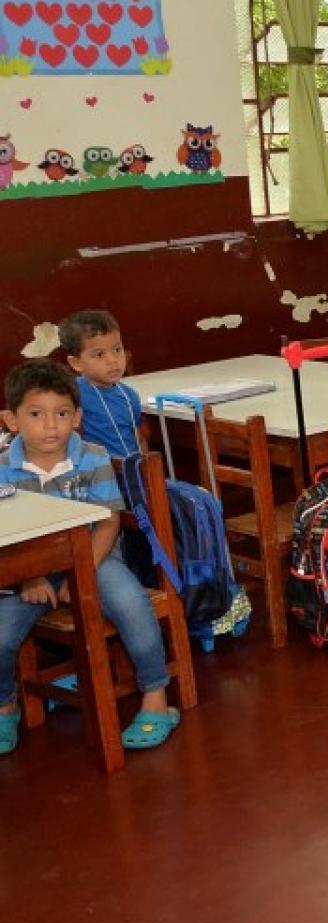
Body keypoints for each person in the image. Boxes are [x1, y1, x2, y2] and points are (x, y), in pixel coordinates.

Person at [0, 361, 176, 755]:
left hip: (96, 558)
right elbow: (7, 538)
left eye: (62, 414)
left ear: (77, 417)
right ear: (11, 420)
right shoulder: (3, 469)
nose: (51, 426)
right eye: (36, 414)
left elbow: (108, 524)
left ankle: (156, 695)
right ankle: (5, 705)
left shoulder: (92, 457)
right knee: (0, 635)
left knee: (132, 605)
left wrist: (81, 571)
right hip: (32, 570)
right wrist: (29, 578)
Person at [60, 308, 141, 461]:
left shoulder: (130, 395)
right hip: (94, 473)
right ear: (76, 363)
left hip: (133, 470)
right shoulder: (71, 395)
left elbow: (140, 440)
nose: (112, 360)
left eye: (117, 349)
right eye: (99, 354)